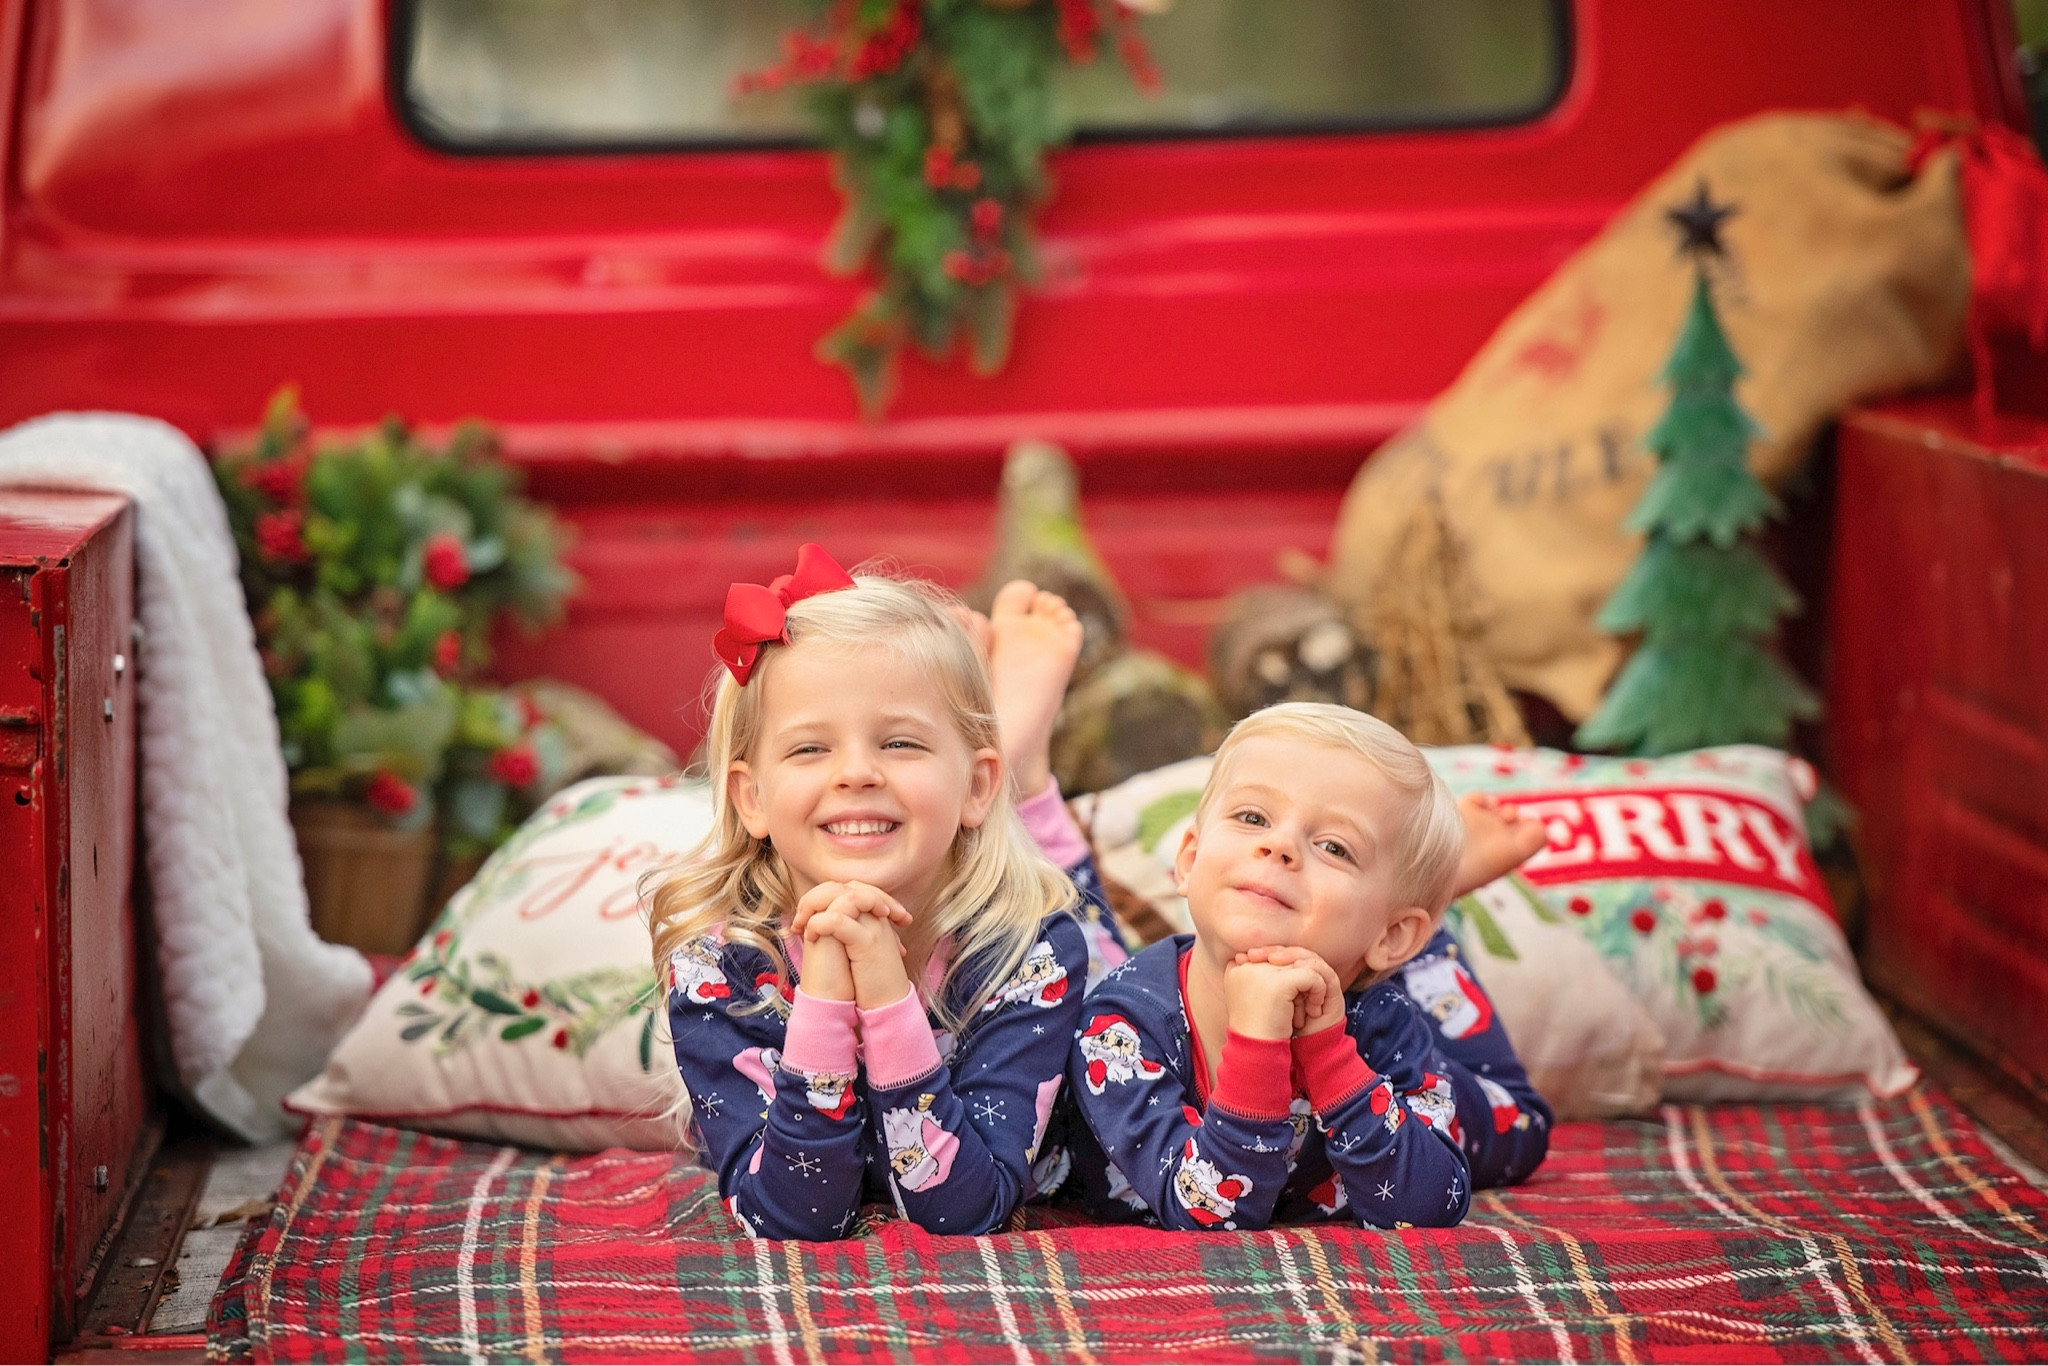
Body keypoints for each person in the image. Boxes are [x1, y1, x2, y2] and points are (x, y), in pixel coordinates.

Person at [648, 545, 1120, 1240]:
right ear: (752, 799)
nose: (857, 773)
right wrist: (828, 995)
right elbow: (789, 1215)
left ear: (973, 785)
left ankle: (1025, 770)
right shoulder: (719, 972)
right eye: (811, 749)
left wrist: (885, 991)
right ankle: (1007, 745)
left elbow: (966, 1210)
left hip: (1017, 917)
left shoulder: (1031, 953)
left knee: (1115, 969)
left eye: (899, 743)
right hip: (948, 820)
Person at [1065, 702, 1553, 1231]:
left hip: (1374, 978)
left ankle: (1424, 928)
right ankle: (1414, 914)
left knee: (1519, 1127)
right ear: (1189, 860)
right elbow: (1214, 1214)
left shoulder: (1382, 1022)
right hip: (1367, 948)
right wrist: (1257, 1045)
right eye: (1253, 818)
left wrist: (1329, 1053)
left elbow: (1429, 1208)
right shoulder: (1120, 1030)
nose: (1278, 846)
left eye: (1335, 847)